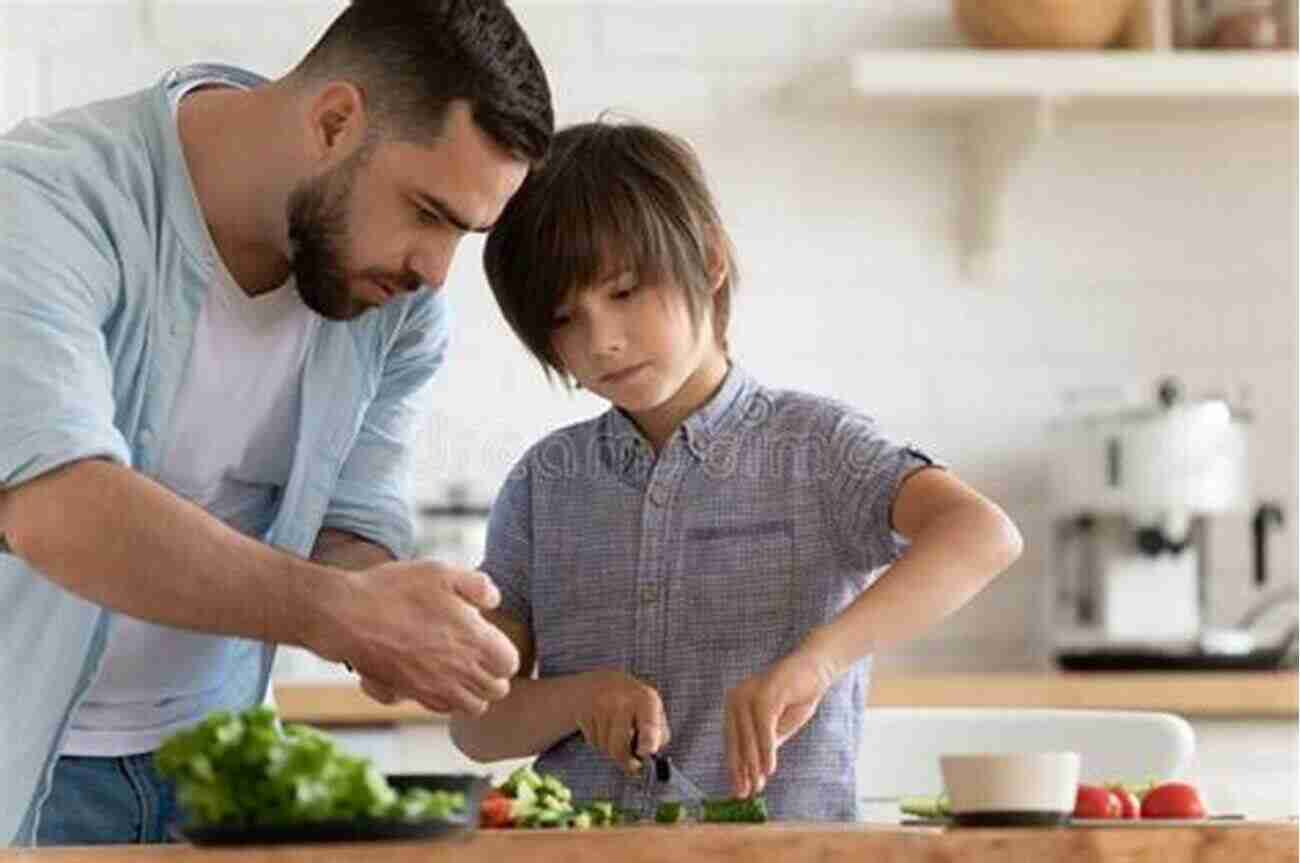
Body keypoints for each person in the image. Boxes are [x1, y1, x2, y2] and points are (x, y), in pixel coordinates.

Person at [0, 0, 552, 846]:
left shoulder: (394, 308)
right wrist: (341, 613)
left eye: (465, 235)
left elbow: (349, 521)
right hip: (25, 764)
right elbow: (56, 506)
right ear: (335, 121)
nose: (436, 272)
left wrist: (393, 605)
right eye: (429, 213)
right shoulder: (43, 203)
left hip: (218, 765)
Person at [448, 118, 1024, 821]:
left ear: (710, 261)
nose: (601, 340)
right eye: (565, 318)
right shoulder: (545, 482)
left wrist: (819, 660)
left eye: (625, 291)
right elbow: (476, 723)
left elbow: (982, 533)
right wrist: (579, 696)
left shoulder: (817, 446)